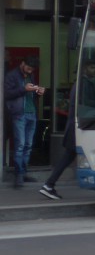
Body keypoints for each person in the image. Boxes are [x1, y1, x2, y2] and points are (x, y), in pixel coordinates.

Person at [4, 56, 45, 188]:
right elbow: (6, 94)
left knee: (28, 145)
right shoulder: (12, 75)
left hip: (31, 113)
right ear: (22, 63)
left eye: (32, 69)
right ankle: (18, 175)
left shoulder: (30, 75)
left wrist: (39, 92)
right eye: (28, 67)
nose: (30, 70)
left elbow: (31, 94)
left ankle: (23, 172)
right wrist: (24, 89)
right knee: (20, 145)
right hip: (19, 114)